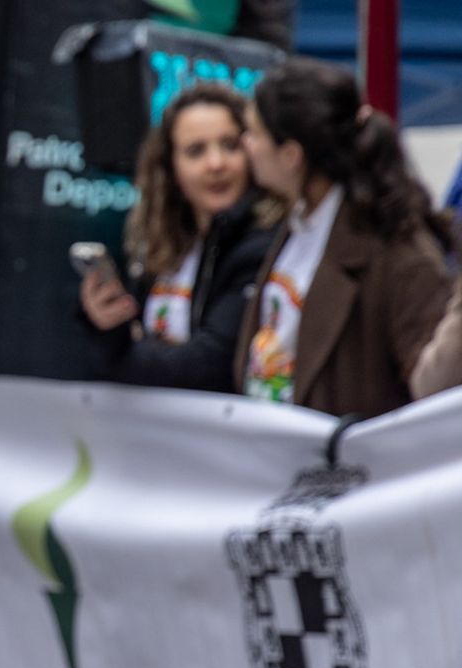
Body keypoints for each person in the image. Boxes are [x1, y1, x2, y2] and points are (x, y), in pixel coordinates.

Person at [237, 58, 450, 417]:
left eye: (254, 133)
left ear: (291, 155)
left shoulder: (397, 251)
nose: (245, 145)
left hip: (354, 466)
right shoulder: (297, 224)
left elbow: (434, 401)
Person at [79, 84, 282, 391]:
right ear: (170, 168)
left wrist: (128, 351)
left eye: (230, 145)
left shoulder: (265, 245)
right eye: (195, 151)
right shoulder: (161, 243)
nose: (216, 164)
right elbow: (103, 360)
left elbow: (207, 367)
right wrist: (106, 325)